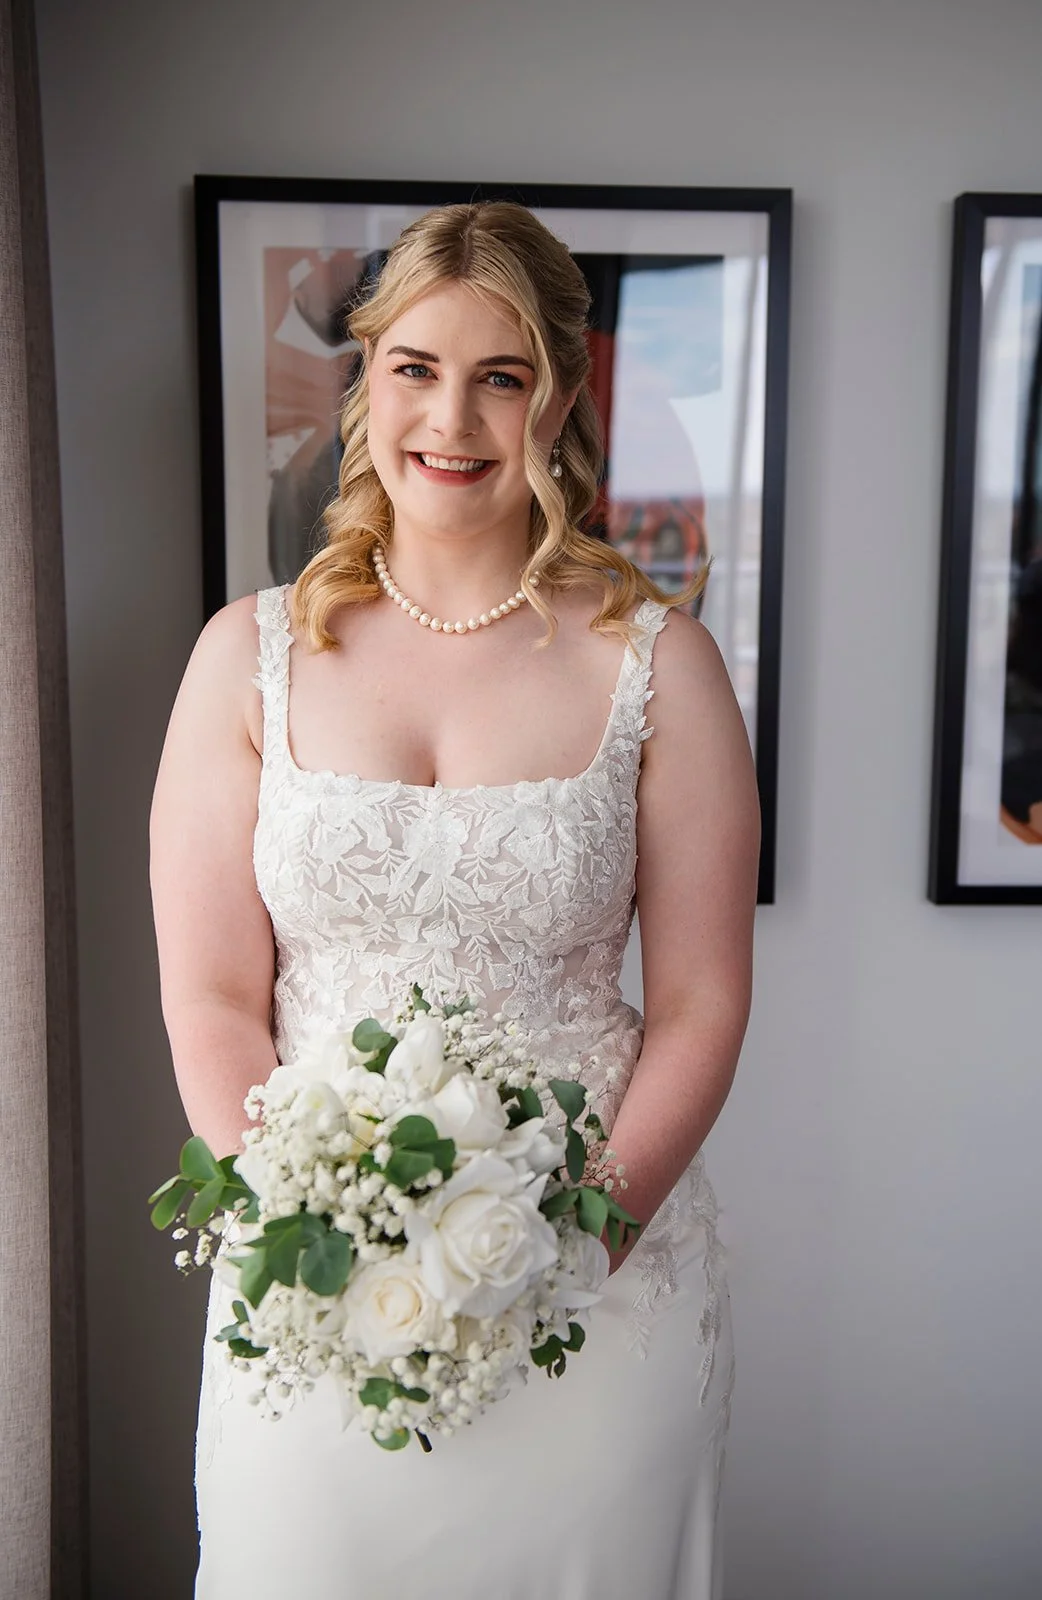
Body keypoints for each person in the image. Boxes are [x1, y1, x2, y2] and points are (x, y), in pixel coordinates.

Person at [149, 201, 760, 1599]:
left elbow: (701, 1000)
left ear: (561, 394)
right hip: (307, 1291)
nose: (454, 419)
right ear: (369, 377)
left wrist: (585, 1239)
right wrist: (297, 1225)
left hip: (596, 1299)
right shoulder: (246, 657)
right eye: (417, 367)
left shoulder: (662, 669)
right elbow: (212, 993)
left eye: (501, 376)